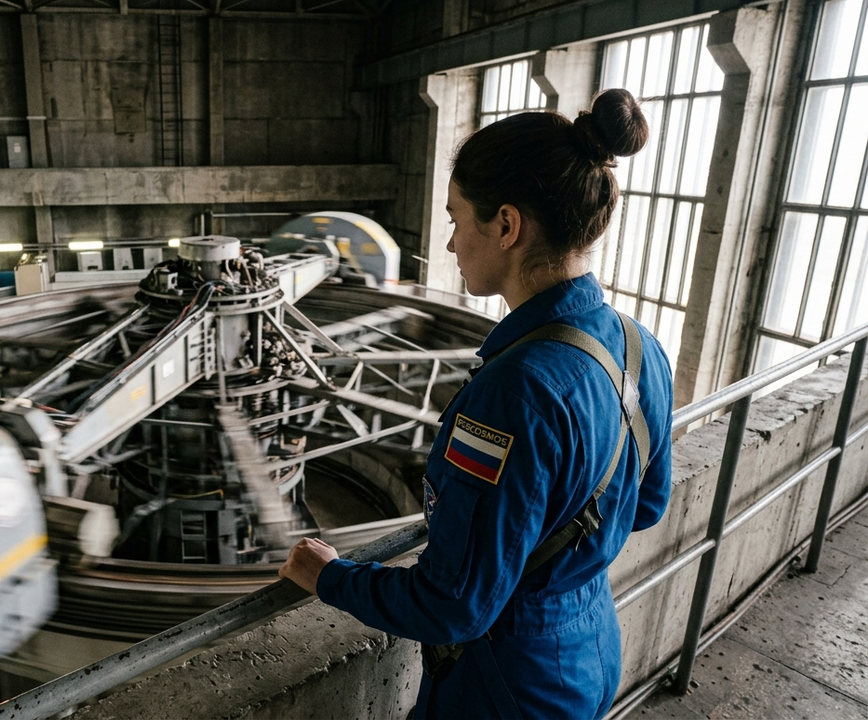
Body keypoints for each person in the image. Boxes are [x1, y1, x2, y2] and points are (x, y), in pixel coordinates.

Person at [279, 88, 674, 719]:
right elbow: (647, 505)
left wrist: (329, 575)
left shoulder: (512, 391)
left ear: (507, 226)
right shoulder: (637, 345)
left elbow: (455, 604)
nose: (451, 243)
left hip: (505, 684)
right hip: (590, 651)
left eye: (457, 219)